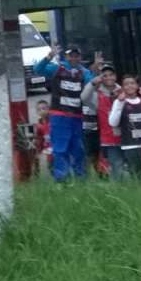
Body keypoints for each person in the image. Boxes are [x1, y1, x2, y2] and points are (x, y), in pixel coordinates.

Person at [33, 45, 95, 182]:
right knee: (60, 149)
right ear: (66, 56)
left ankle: (81, 179)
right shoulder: (58, 68)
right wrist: (49, 56)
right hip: (59, 115)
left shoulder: (83, 72)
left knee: (78, 149)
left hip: (77, 116)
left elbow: (92, 85)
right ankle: (61, 180)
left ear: (80, 57)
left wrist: (95, 70)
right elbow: (38, 69)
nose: (74, 58)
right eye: (71, 55)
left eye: (76, 55)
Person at [108, 75, 141, 178]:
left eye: (132, 83)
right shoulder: (119, 102)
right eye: (126, 84)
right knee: (135, 174)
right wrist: (120, 104)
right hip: (130, 145)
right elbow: (113, 122)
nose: (129, 86)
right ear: (123, 87)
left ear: (137, 86)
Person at [80, 63, 123, 179]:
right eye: (105, 75)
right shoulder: (97, 96)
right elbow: (84, 98)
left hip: (126, 138)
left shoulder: (123, 91)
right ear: (100, 78)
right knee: (116, 167)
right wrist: (93, 82)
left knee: (129, 168)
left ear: (116, 76)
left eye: (111, 75)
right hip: (109, 139)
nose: (109, 77)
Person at [33, 99, 52, 177]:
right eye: (39, 109)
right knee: (50, 164)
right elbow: (39, 139)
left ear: (49, 109)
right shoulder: (39, 126)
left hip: (55, 146)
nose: (42, 111)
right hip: (47, 148)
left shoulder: (53, 122)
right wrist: (38, 150)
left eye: (44, 108)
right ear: (37, 112)